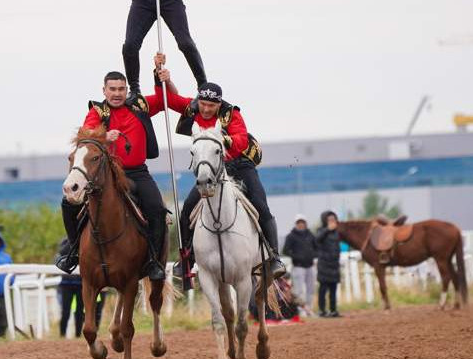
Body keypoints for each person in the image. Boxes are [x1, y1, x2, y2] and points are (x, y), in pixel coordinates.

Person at [155, 59, 286, 280]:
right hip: (210, 170)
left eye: (211, 106)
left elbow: (242, 140)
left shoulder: (231, 114)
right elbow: (170, 100)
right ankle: (187, 260)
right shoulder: (194, 107)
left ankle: (274, 257)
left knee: (260, 203)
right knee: (187, 208)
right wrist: (162, 78)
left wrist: (221, 138)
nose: (206, 109)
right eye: (203, 104)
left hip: (238, 165)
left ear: (219, 105)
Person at [55, 69, 174, 281]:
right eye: (112, 89)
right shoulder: (97, 112)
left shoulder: (140, 105)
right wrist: (104, 137)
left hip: (137, 172)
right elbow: (86, 134)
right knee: (68, 204)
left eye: (121, 89)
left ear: (127, 90)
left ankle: (154, 261)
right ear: (104, 90)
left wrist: (164, 78)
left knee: (157, 209)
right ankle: (73, 252)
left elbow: (167, 98)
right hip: (106, 175)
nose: (117, 93)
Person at [55, 237, 105, 337]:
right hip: (66, 284)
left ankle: (78, 335)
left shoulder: (87, 240)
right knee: (66, 311)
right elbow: (60, 255)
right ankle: (62, 334)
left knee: (79, 311)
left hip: (80, 284)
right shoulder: (66, 242)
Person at [282, 215, 317, 316]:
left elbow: (317, 247)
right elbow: (285, 250)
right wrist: (296, 256)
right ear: (296, 224)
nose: (301, 224)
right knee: (299, 290)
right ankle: (301, 311)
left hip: (310, 266)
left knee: (311, 289)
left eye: (303, 222)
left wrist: (314, 256)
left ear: (305, 223)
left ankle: (309, 309)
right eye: (299, 222)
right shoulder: (291, 236)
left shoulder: (310, 235)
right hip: (298, 267)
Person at [314, 211, 341, 318]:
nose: (332, 222)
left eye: (333, 220)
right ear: (325, 220)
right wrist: (327, 230)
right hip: (324, 264)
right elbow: (317, 239)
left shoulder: (337, 232)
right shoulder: (321, 230)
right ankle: (322, 310)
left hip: (334, 264)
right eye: (330, 220)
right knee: (323, 289)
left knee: (333, 289)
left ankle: (333, 310)